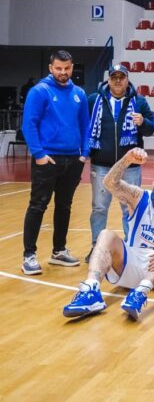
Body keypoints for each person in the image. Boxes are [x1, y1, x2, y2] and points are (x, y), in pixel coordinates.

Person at [62, 148, 154, 321]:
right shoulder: (138, 196)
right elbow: (109, 182)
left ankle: (140, 293)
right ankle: (91, 290)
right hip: (131, 264)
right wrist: (126, 160)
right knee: (106, 234)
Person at [21, 50, 90, 276]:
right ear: (51, 68)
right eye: (58, 68)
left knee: (64, 206)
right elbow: (28, 125)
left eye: (67, 68)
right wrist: (39, 153)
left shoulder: (79, 93)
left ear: (72, 68)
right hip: (47, 159)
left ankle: (59, 250)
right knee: (38, 205)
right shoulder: (39, 92)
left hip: (73, 159)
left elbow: (86, 127)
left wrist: (84, 154)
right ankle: (29, 255)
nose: (63, 72)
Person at [86, 64, 154, 260]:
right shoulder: (94, 100)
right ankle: (96, 247)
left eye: (121, 77)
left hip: (130, 167)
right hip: (101, 164)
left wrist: (144, 123)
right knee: (99, 207)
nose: (117, 80)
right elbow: (85, 127)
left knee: (130, 207)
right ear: (108, 80)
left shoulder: (139, 102)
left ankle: (131, 248)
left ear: (127, 79)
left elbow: (151, 129)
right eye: (114, 77)